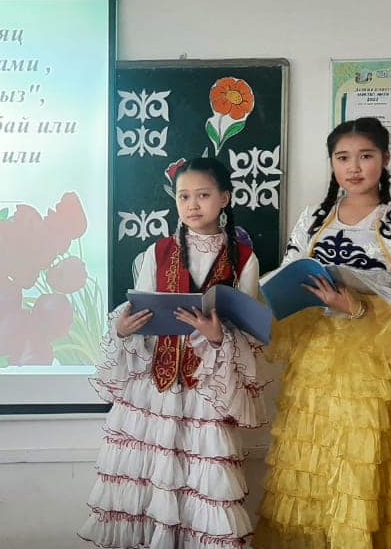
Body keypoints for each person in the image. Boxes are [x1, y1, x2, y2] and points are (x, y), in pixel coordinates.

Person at [254, 117, 391, 548]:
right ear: (332, 163)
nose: (353, 167)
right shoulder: (313, 217)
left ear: (386, 159)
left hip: (373, 368)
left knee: (363, 461)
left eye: (365, 156)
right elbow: (289, 274)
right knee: (314, 462)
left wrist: (356, 305)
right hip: (315, 364)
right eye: (342, 158)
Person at [79, 157, 266, 548]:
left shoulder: (244, 259)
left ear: (224, 198)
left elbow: (252, 331)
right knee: (154, 480)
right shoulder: (158, 251)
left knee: (203, 483)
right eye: (184, 196)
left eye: (203, 195)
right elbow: (138, 308)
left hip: (206, 390)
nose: (193, 205)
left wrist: (218, 337)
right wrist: (123, 328)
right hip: (156, 389)